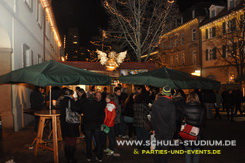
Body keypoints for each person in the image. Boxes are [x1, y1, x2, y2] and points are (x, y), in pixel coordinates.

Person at [151, 86, 176, 163]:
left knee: (158, 147)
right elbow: (172, 121)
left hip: (158, 129)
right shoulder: (171, 105)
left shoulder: (155, 103)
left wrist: (153, 129)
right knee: (164, 150)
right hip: (167, 131)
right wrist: (173, 131)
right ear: (169, 94)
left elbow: (153, 118)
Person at [58, 88, 82, 163]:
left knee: (67, 140)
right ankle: (71, 158)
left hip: (64, 123)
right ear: (69, 94)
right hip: (71, 123)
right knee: (72, 140)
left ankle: (67, 158)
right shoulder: (71, 101)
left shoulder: (61, 101)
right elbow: (77, 109)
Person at [81, 91, 106, 162]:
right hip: (97, 124)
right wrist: (100, 122)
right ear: (94, 96)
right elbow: (102, 114)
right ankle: (100, 157)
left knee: (88, 141)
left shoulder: (84, 104)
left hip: (87, 124)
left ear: (87, 96)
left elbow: (79, 110)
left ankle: (89, 156)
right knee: (98, 141)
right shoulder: (98, 104)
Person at [182, 92, 205, 163]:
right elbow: (203, 122)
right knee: (196, 151)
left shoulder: (184, 107)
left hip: (187, 132)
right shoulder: (201, 108)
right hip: (197, 132)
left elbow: (181, 120)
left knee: (188, 151)